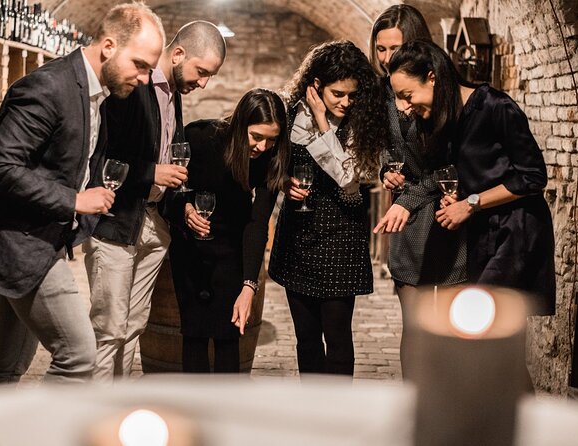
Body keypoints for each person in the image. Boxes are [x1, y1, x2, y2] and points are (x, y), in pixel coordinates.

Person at [0, 3, 165, 385]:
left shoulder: (99, 93)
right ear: (108, 46)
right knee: (79, 357)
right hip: (20, 244)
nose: (146, 78)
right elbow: (1, 167)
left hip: (39, 240)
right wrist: (74, 200)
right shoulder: (48, 86)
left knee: (7, 363)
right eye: (140, 65)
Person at [84, 21, 226, 382]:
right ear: (178, 54)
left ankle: (118, 408)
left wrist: (182, 205)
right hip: (116, 223)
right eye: (202, 72)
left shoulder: (173, 94)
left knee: (133, 326)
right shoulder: (133, 86)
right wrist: (152, 174)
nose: (204, 83)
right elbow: (99, 163)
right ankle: (93, 417)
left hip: (154, 223)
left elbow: (169, 164)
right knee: (109, 331)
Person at [388, 40, 555, 318]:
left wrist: (470, 203)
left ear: (432, 77)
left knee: (484, 324)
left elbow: (534, 176)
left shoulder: (495, 106)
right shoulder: (446, 118)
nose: (405, 106)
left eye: (408, 95)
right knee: (484, 333)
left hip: (514, 231)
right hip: (480, 231)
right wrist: (457, 196)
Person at [268, 41, 389, 376]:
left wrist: (323, 120)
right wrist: (282, 183)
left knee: (337, 338)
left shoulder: (361, 123)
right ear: (316, 85)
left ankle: (339, 410)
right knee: (306, 339)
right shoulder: (289, 112)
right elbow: (268, 163)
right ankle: (313, 409)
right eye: (338, 94)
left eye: (352, 95)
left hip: (341, 240)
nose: (346, 102)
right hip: (297, 236)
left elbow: (348, 178)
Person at [370, 5, 467, 377]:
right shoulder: (382, 92)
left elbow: (452, 162)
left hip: (444, 212)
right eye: (380, 49)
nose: (387, 57)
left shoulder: (443, 92)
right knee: (414, 327)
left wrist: (408, 199)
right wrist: (384, 169)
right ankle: (417, 410)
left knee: (451, 328)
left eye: (395, 47)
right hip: (407, 225)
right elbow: (380, 144)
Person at [168, 88, 290, 373]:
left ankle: (226, 410)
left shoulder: (272, 159)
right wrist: (185, 209)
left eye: (271, 140)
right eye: (256, 136)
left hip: (231, 251)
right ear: (239, 125)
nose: (262, 146)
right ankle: (194, 413)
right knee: (194, 336)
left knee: (229, 337)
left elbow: (257, 223)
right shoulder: (201, 139)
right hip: (190, 248)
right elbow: (173, 191)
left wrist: (249, 285)